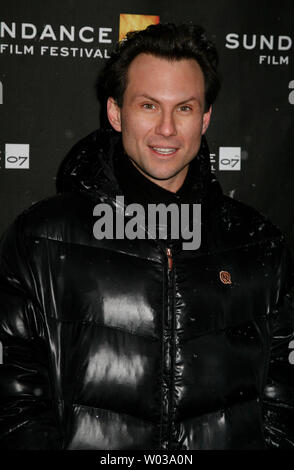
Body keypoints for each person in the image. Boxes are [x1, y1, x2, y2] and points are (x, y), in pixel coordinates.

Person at [0, 23, 294, 450]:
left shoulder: (259, 244)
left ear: (206, 116)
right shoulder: (41, 239)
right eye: (149, 106)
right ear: (116, 112)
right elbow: (14, 399)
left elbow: (279, 396)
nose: (167, 129)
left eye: (185, 108)